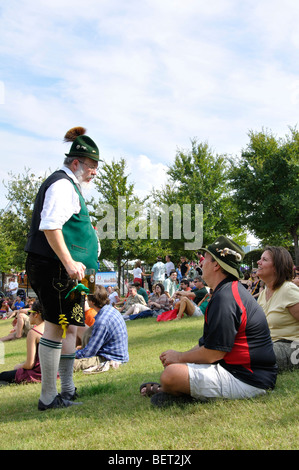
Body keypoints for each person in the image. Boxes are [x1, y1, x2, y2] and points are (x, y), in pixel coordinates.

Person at [140, 236, 277, 408]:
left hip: (250, 380)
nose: (201, 263)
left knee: (171, 375)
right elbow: (207, 344)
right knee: (174, 371)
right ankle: (176, 390)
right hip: (242, 372)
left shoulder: (226, 297)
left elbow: (213, 354)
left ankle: (178, 392)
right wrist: (180, 359)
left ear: (216, 265)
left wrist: (180, 358)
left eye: (205, 259)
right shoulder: (226, 292)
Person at [25, 126, 100, 411]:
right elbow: (50, 225)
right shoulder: (62, 185)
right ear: (76, 162)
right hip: (58, 270)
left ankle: (66, 390)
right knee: (56, 329)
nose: (95, 172)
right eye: (92, 166)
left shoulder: (71, 186)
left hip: (70, 272)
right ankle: (48, 397)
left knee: (70, 329)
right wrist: (69, 262)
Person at [257, 246, 299, 372]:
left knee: (254, 356)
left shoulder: (288, 290)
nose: (259, 262)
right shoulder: (264, 294)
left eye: (264, 259)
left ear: (276, 267)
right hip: (268, 345)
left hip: (291, 346)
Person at [73, 285, 129, 373]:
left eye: (87, 298)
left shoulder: (102, 321)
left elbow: (89, 353)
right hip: (118, 355)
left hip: (109, 358)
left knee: (69, 364)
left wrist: (71, 354)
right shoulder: (110, 310)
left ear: (92, 302)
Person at [0, 301, 45, 385]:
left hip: (39, 373)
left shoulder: (34, 333)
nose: (29, 316)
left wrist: (18, 366)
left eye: (30, 313)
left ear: (36, 314)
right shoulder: (52, 328)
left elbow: (29, 365)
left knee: (3, 375)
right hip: (54, 371)